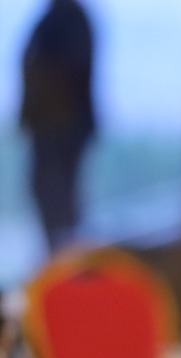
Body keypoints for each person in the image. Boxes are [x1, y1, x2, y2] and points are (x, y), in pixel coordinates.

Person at [19, 0, 94, 254]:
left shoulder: (68, 18)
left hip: (59, 129)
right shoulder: (59, 18)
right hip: (53, 127)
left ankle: (65, 261)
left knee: (58, 202)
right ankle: (61, 259)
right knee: (52, 198)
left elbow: (63, 71)